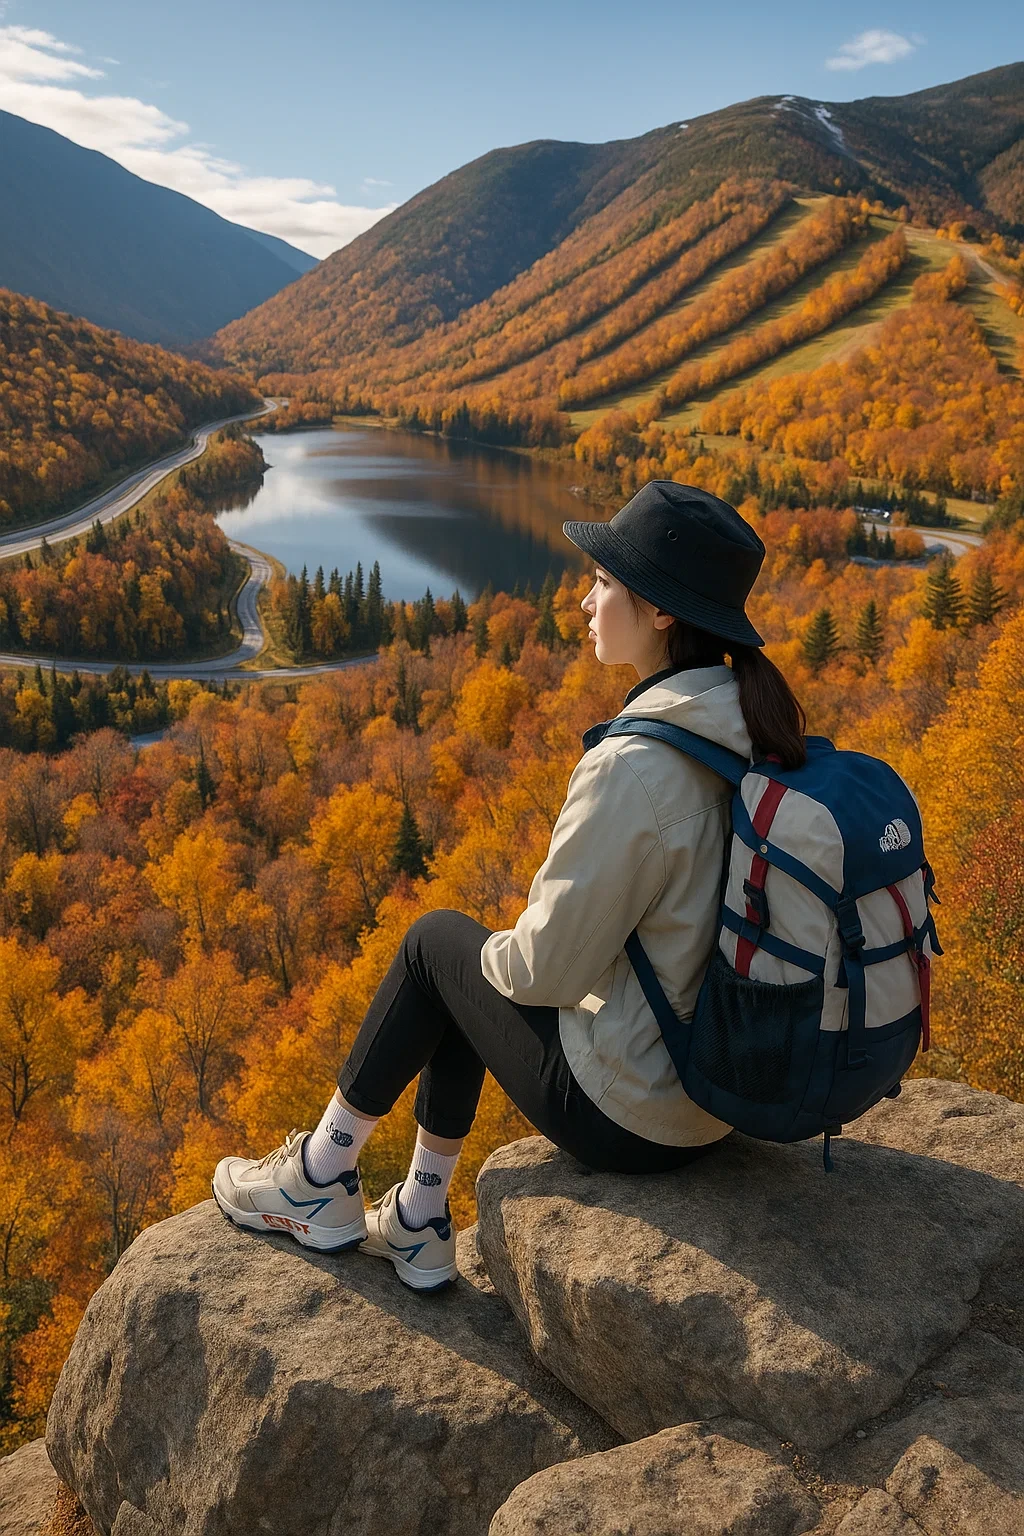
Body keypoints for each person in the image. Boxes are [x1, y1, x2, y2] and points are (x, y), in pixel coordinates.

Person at [213, 480, 807, 1292]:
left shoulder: (635, 767)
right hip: (717, 1090)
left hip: (635, 1113)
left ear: (662, 611)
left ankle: (321, 1177)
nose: (585, 599)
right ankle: (417, 1219)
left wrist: (493, 956)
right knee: (474, 962)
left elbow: (543, 973)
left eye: (603, 582)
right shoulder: (757, 725)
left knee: (439, 947)